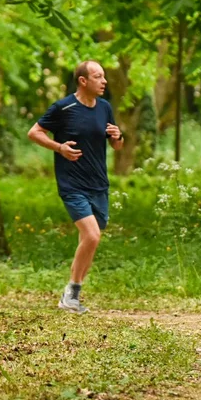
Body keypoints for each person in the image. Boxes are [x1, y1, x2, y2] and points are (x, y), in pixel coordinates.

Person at [28, 60, 123, 313]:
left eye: (104, 76)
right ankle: (71, 293)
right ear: (83, 81)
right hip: (72, 185)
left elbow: (116, 145)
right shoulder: (63, 107)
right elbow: (34, 132)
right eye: (98, 76)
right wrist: (59, 147)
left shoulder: (104, 107)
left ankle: (72, 295)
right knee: (92, 235)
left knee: (90, 238)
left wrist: (117, 136)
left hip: (99, 184)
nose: (104, 81)